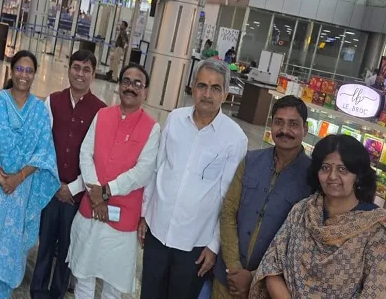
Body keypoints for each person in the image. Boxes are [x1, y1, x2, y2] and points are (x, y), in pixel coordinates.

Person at [139, 59, 248, 299]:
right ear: (192, 87)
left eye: (215, 88)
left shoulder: (235, 138)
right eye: (202, 85)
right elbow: (157, 168)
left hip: (196, 245)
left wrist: (214, 246)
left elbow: (228, 198)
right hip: (157, 229)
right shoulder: (175, 119)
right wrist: (145, 214)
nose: (207, 94)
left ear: (225, 94)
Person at [0, 50, 59, 299]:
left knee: (11, 241)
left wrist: (19, 177)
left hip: (20, 189)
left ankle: (3, 290)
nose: (23, 75)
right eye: (19, 69)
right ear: (11, 71)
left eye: (29, 70)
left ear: (35, 75)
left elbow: (44, 153)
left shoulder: (39, 111)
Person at [249, 134, 386, 298]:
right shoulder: (303, 211)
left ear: (358, 175)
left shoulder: (375, 229)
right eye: (325, 168)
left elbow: (376, 292)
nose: (332, 176)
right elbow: (271, 265)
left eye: (342, 169)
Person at [68, 63, 161, 299]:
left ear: (145, 91)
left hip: (122, 221)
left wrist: (105, 192)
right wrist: (96, 195)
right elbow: (85, 153)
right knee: (83, 279)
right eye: (126, 81)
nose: (131, 87)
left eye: (137, 83)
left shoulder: (152, 128)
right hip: (90, 211)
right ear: (119, 85)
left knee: (112, 288)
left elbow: (142, 172)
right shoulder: (102, 115)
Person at [212, 95, 313, 299]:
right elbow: (229, 211)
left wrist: (252, 277)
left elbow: (302, 243)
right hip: (227, 279)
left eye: (293, 124)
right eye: (278, 122)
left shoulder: (312, 178)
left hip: (267, 288)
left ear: (305, 128)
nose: (284, 130)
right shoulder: (251, 160)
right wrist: (234, 268)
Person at [30, 50, 106, 299]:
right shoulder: (52, 101)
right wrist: (55, 184)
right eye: (76, 67)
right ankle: (37, 291)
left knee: (67, 249)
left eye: (86, 70)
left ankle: (57, 293)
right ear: (69, 69)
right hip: (51, 189)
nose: (80, 74)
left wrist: (73, 188)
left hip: (78, 195)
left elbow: (98, 159)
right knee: (45, 244)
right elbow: (43, 145)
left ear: (94, 75)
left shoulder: (101, 111)